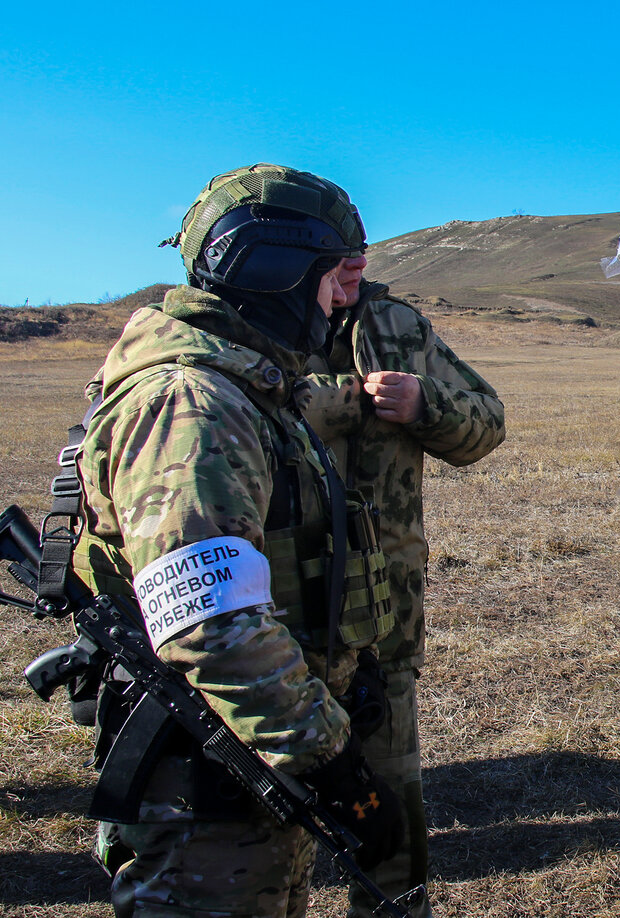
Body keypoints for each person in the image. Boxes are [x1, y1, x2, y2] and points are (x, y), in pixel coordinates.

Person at [73, 164, 404, 917]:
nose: (343, 297)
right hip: (209, 782)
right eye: (332, 277)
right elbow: (213, 625)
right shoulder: (192, 405)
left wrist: (345, 673)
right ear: (278, 270)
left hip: (255, 750)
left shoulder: (245, 389)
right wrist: (335, 763)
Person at [303, 193, 506, 914]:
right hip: (262, 631)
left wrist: (427, 405)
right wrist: (342, 401)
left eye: (360, 262)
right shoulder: (236, 335)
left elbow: (488, 422)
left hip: (381, 621)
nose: (350, 278)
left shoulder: (394, 327)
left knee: (390, 821)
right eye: (335, 264)